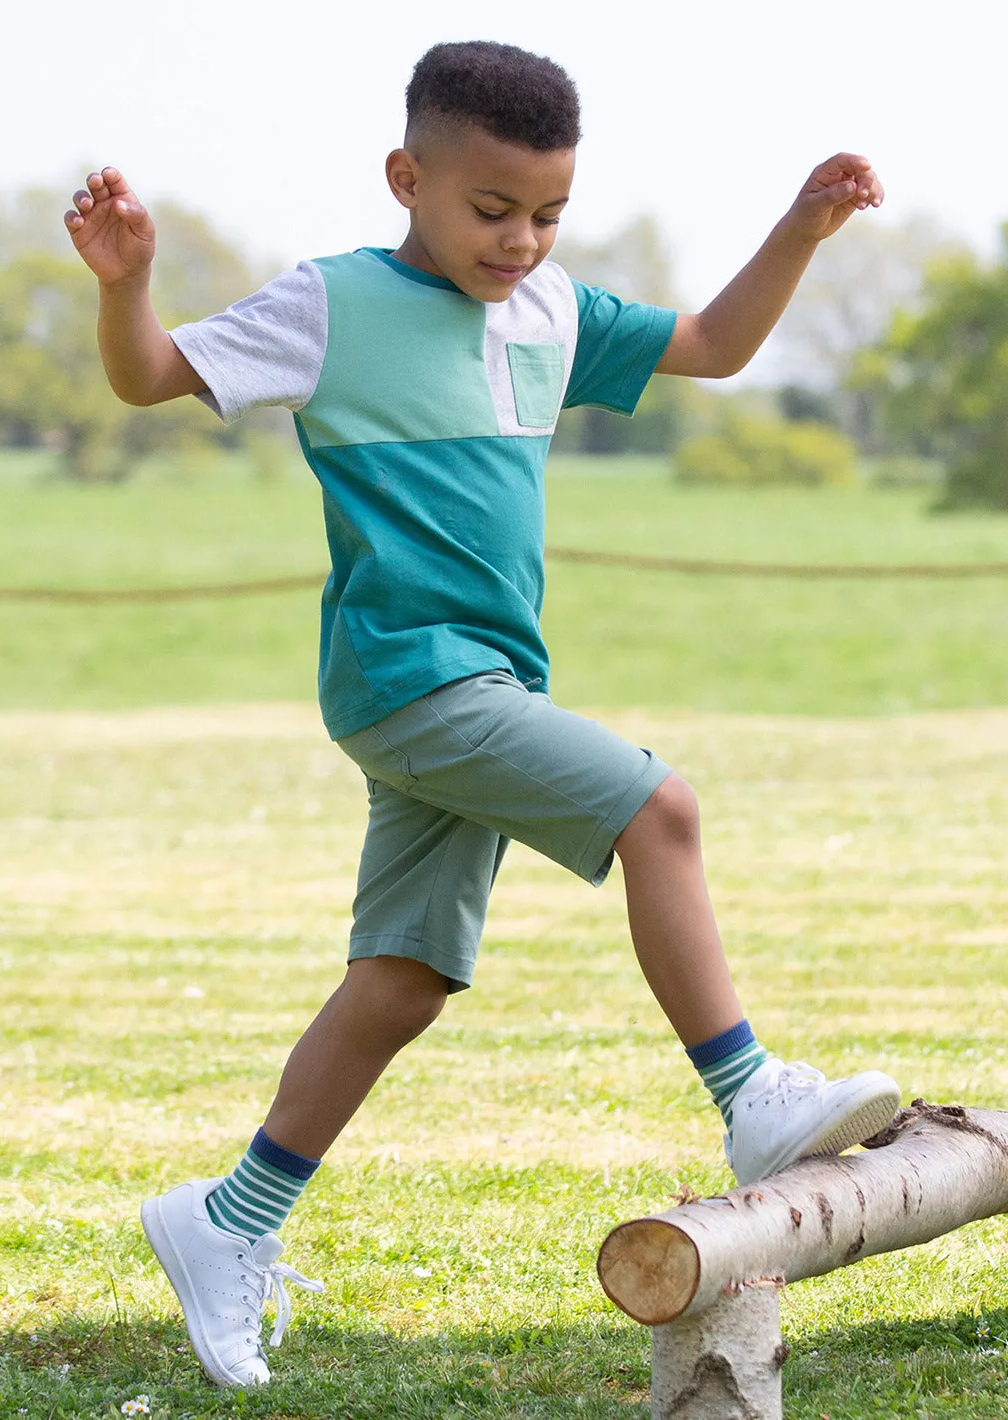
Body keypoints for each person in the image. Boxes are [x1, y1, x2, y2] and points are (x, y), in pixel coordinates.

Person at [65, 39, 901, 1389]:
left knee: (403, 980)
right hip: (411, 678)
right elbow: (147, 374)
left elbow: (716, 346)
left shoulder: (551, 311)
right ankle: (751, 1095)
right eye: (492, 211)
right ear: (409, 176)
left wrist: (799, 228)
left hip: (486, 688)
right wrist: (129, 285)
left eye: (548, 216)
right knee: (658, 807)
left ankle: (230, 1221)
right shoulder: (332, 306)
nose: (521, 242)